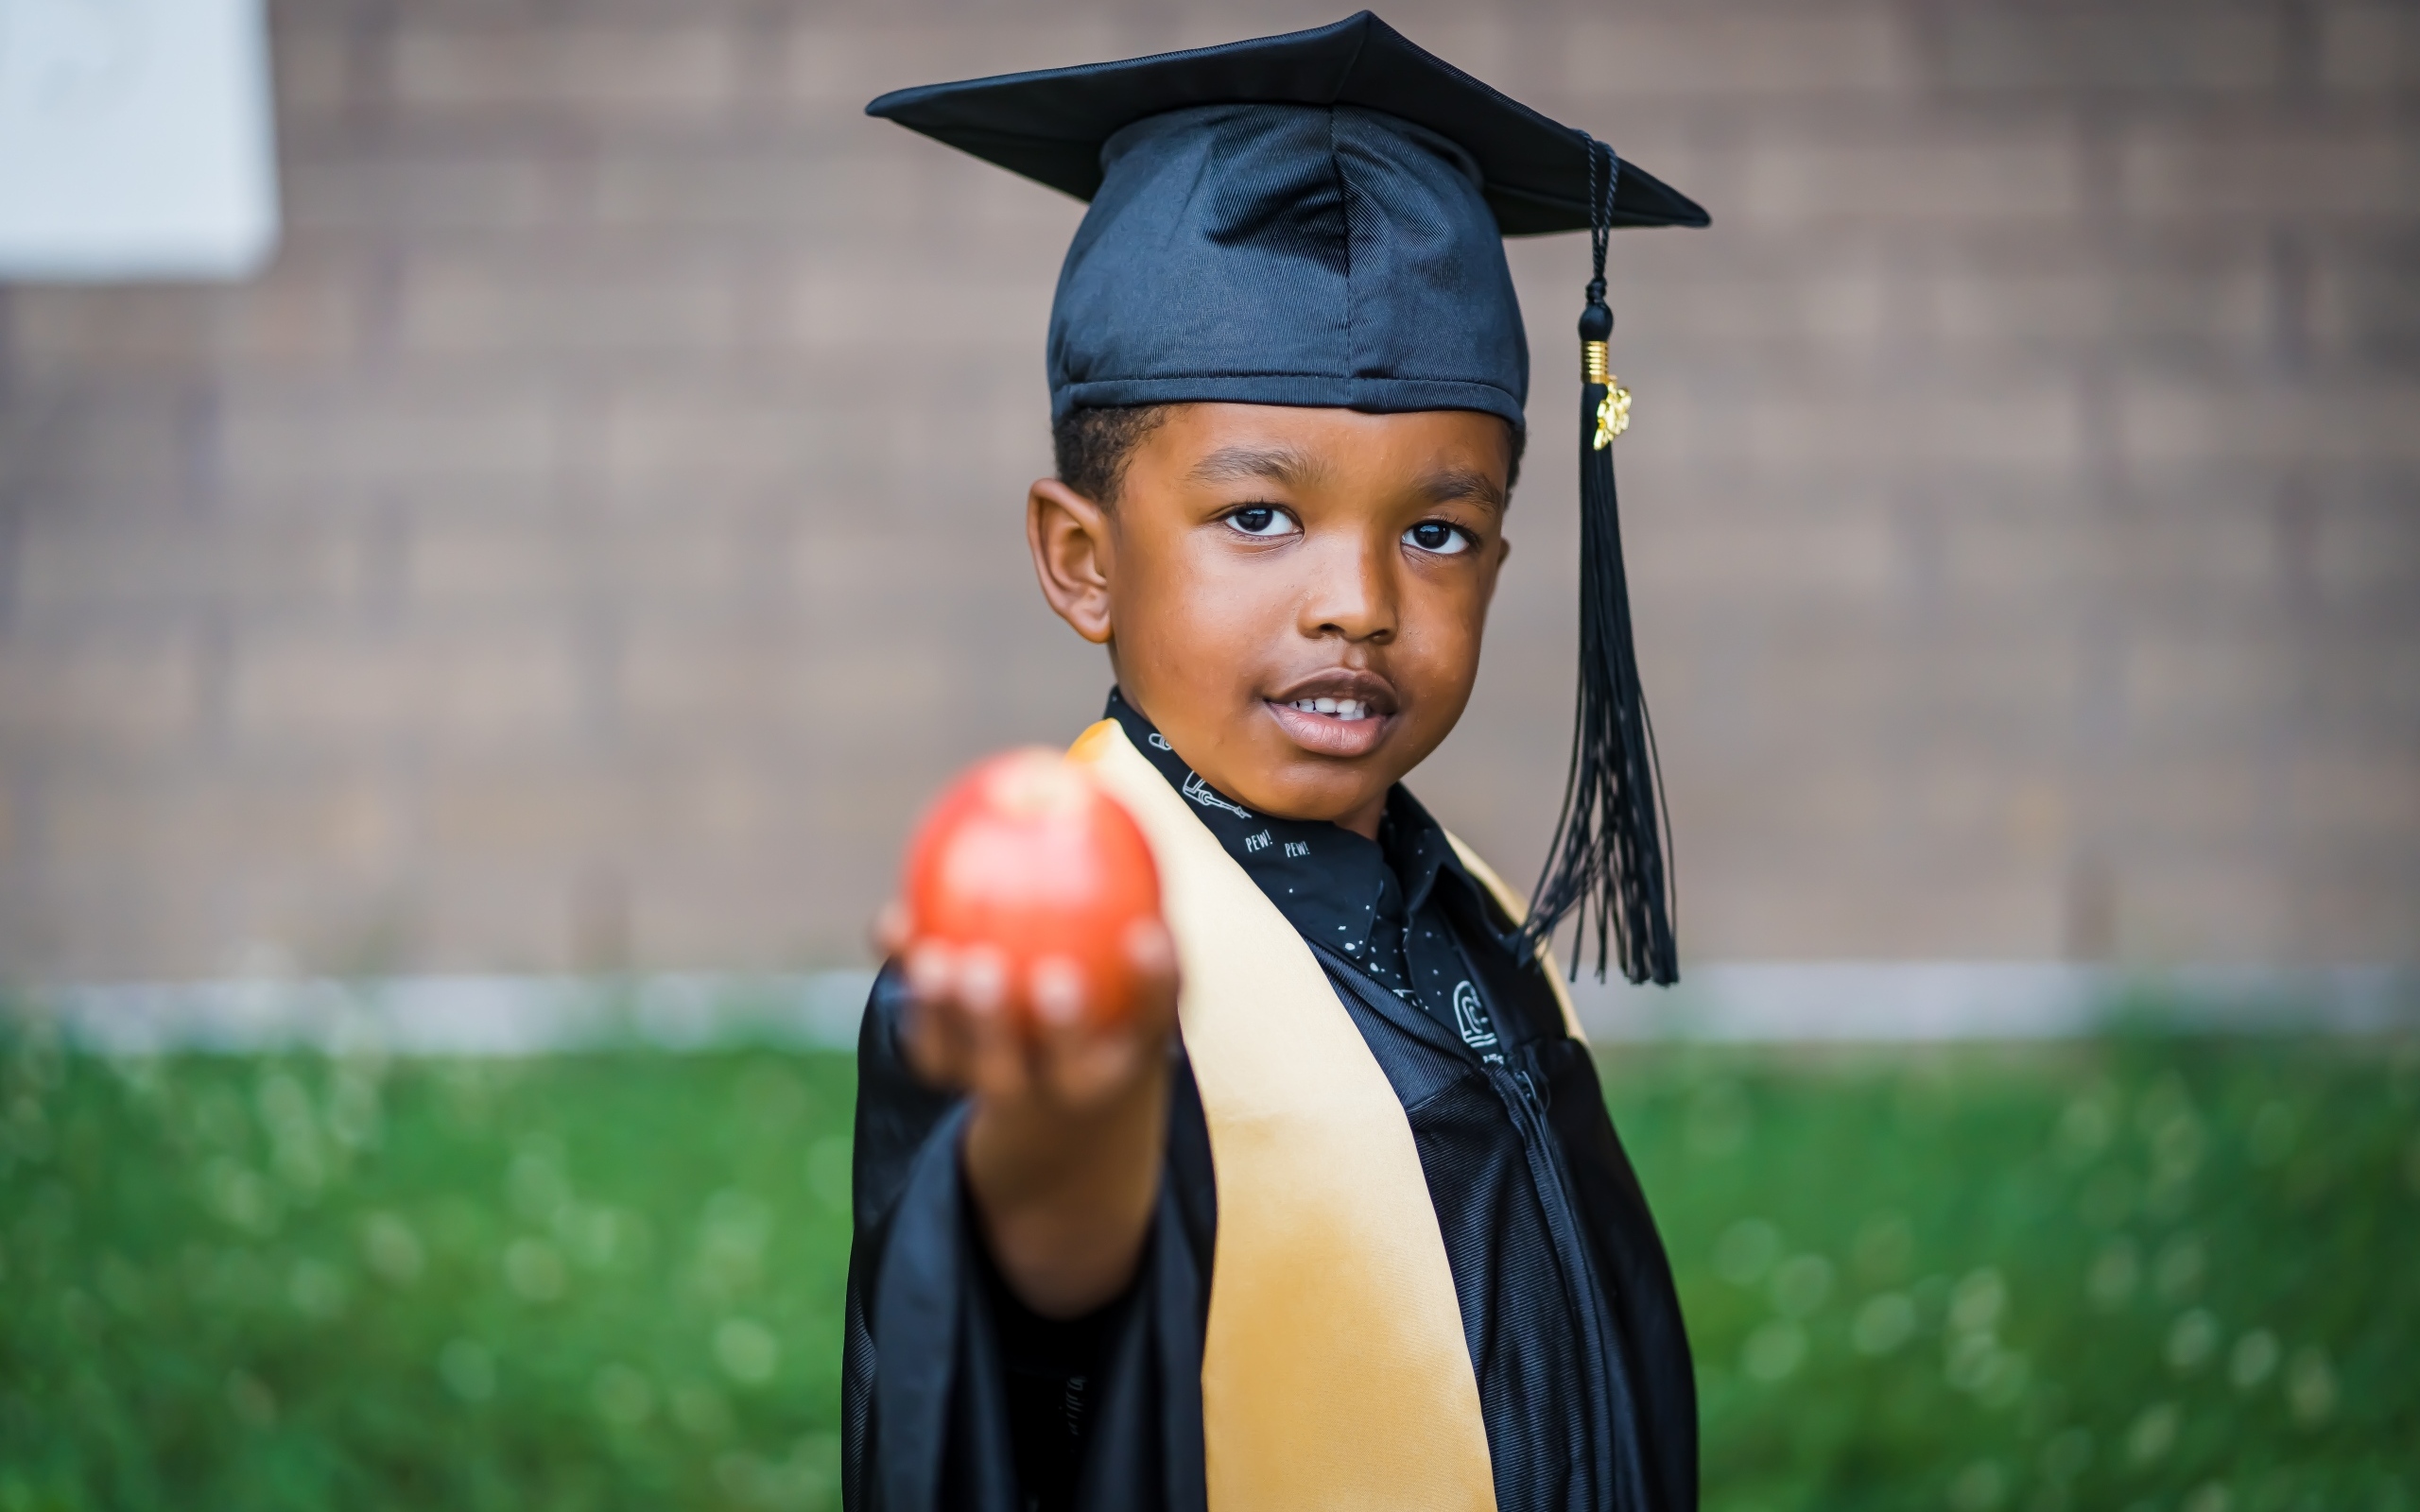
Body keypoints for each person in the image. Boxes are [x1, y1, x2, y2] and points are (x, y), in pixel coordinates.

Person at [844, 14, 1709, 1511]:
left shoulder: (1462, 915)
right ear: (1082, 559)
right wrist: (1070, 1135)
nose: (1358, 600)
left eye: (1436, 531)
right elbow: (1020, 1338)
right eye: (1258, 518)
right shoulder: (1067, 966)